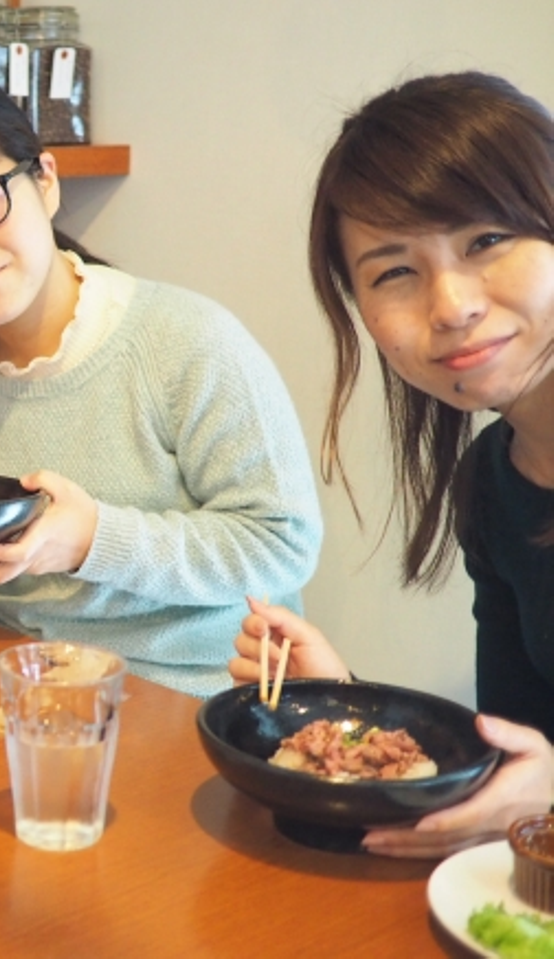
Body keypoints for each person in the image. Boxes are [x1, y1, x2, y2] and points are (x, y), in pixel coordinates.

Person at [0, 71, 323, 697]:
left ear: (46, 182)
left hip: (192, 694)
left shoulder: (188, 342)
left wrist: (92, 541)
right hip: (18, 689)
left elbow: (280, 545)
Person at [229, 71, 554, 859]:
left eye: (486, 240)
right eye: (394, 271)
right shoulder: (494, 480)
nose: (451, 305)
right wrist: (343, 712)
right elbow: (519, 751)